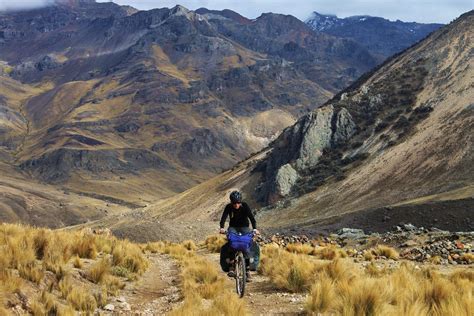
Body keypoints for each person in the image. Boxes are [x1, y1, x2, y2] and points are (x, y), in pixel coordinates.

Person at [219, 191, 259, 279]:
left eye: (238, 203)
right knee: (231, 243)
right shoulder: (228, 207)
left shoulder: (245, 206)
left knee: (247, 245)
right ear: (231, 202)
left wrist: (255, 228)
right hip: (233, 227)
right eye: (234, 203)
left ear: (240, 202)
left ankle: (247, 271)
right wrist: (222, 227)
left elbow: (252, 218)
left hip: (244, 227)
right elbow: (223, 218)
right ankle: (231, 267)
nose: (236, 205)